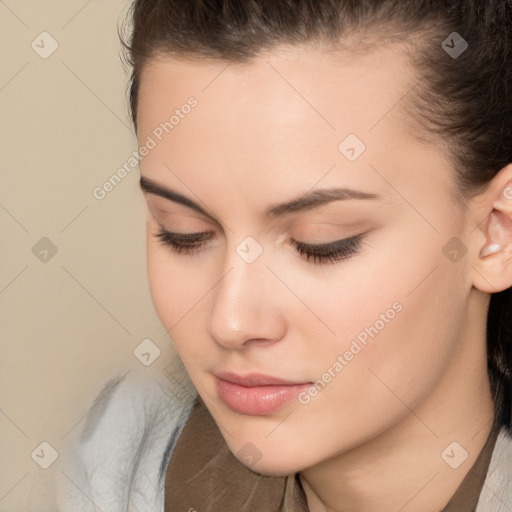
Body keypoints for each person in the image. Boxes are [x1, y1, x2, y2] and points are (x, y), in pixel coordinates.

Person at [56, 0, 512, 511]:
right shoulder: (112, 467)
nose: (229, 321)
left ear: (497, 230)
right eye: (182, 232)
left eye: (320, 243)